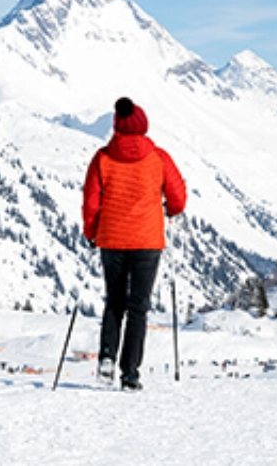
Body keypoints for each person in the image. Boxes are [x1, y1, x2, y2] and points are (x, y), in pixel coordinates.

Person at [82, 97, 186, 390]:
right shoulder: (158, 158)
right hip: (147, 241)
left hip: (111, 240)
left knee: (114, 302)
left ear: (116, 125)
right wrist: (170, 209)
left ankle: (106, 358)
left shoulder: (102, 158)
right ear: (143, 125)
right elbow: (178, 198)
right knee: (138, 307)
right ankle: (130, 374)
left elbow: (91, 202)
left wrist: (91, 232)